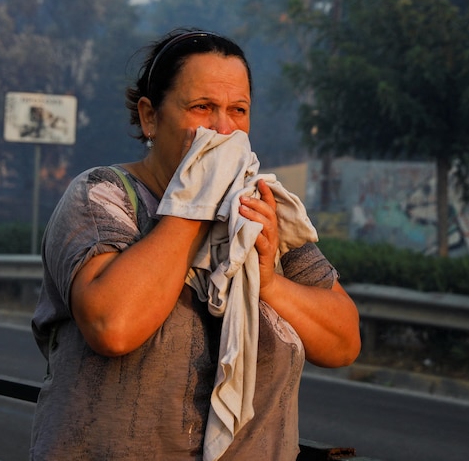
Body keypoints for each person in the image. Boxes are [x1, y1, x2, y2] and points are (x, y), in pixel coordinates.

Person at [30, 29, 361, 461]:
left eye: (237, 111)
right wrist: (194, 204)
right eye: (202, 108)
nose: (223, 130)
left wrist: (270, 284)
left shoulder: (260, 208)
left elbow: (344, 342)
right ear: (150, 117)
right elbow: (113, 327)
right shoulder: (102, 196)